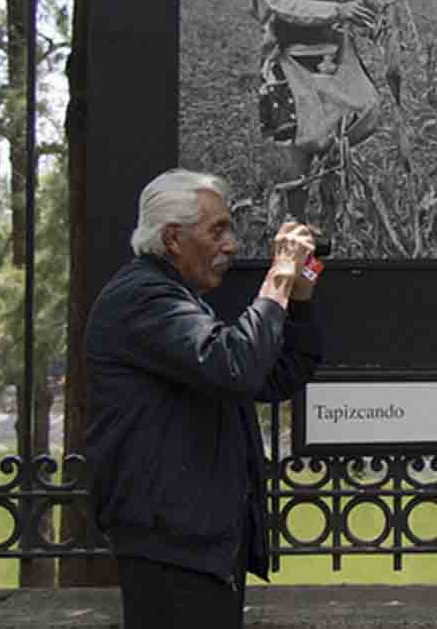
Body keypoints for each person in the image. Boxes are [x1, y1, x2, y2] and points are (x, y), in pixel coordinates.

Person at [86, 168, 325, 629]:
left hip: (199, 545)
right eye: (217, 230)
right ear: (173, 238)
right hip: (171, 550)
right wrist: (277, 277)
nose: (231, 245)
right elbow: (234, 366)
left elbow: (273, 377)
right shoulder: (143, 299)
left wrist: (301, 294)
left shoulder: (180, 301)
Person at [227, 0, 382, 233]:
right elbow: (282, 3)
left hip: (334, 57)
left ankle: (329, 217)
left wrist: (364, 2)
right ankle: (296, 222)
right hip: (290, 59)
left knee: (352, 121)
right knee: (297, 142)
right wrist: (337, 8)